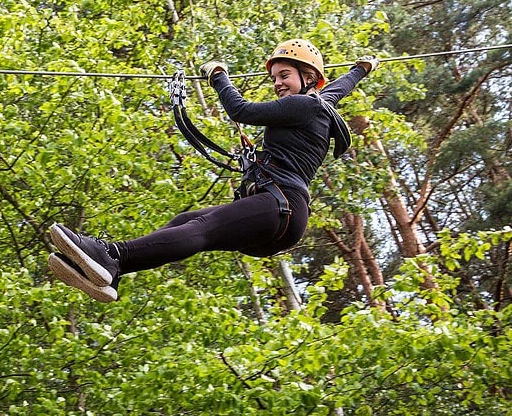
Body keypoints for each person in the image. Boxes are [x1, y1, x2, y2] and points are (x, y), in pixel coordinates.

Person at [47, 38, 379, 302]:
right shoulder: (320, 103)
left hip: (281, 206)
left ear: (308, 79)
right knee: (185, 223)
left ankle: (111, 254)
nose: (277, 84)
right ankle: (114, 271)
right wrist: (361, 69)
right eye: (274, 77)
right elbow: (340, 87)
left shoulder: (303, 104)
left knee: (203, 228)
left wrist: (218, 75)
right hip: (281, 214)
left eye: (284, 76)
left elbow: (240, 109)